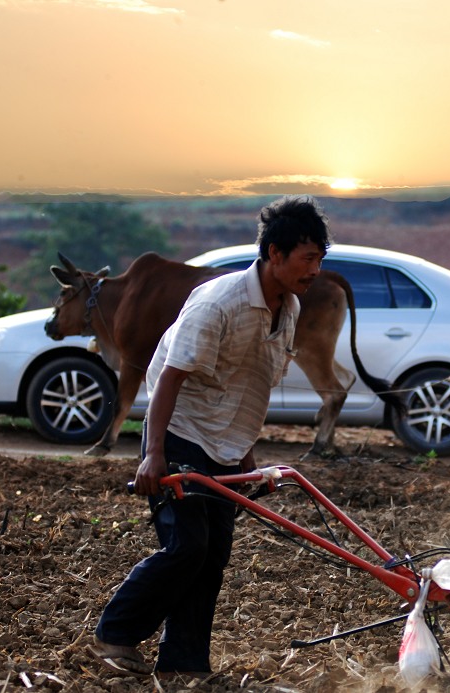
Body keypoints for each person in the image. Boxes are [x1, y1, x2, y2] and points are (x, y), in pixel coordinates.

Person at [88, 195, 331, 680]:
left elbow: (250, 388)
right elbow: (170, 378)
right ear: (275, 255)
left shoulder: (290, 308)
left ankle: (183, 665)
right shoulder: (220, 302)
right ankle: (114, 634)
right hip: (179, 431)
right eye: (308, 258)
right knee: (187, 547)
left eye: (321, 258)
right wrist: (152, 454)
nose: (315, 269)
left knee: (213, 555)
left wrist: (249, 461)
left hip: (226, 443)